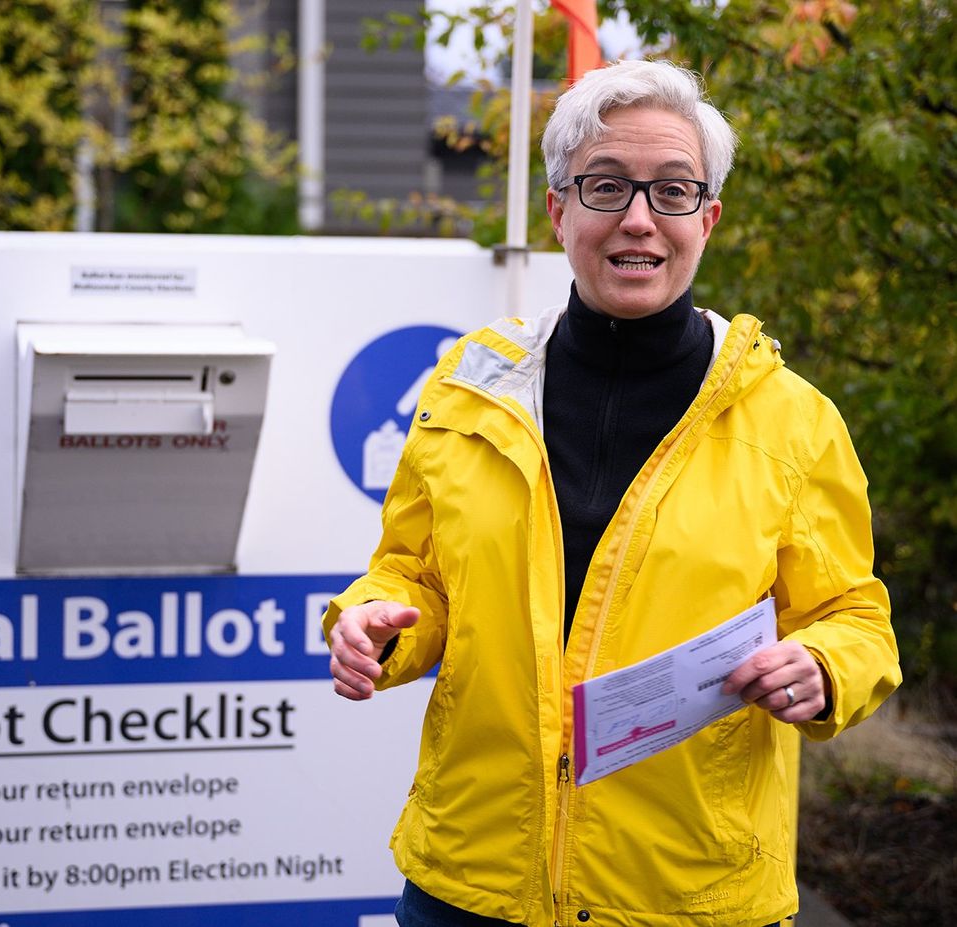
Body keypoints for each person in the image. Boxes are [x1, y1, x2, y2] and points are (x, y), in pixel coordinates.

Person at [324, 59, 901, 927]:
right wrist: (376, 621)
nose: (639, 218)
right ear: (559, 210)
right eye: (606, 186)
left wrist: (821, 666)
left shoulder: (792, 421)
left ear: (708, 218)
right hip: (471, 883)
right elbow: (413, 574)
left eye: (672, 191)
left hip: (687, 892)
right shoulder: (469, 390)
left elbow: (855, 616)